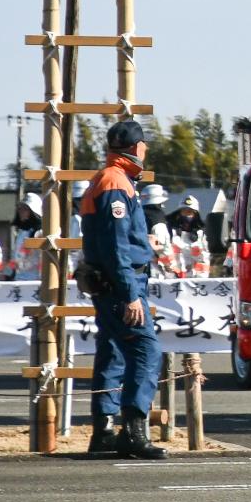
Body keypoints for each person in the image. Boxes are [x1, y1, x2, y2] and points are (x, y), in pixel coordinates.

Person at [78, 119, 166, 459]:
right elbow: (116, 247)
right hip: (122, 283)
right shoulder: (117, 183)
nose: (145, 149)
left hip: (110, 280)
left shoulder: (107, 179)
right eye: (144, 144)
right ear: (135, 147)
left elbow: (112, 240)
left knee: (113, 350)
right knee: (146, 351)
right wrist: (130, 293)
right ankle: (133, 429)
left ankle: (104, 428)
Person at [7, 192, 46, 280]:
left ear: (33, 210)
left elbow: (42, 258)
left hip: (34, 280)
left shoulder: (40, 232)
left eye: (25, 208)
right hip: (19, 278)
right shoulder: (22, 231)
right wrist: (8, 273)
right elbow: (16, 256)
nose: (21, 211)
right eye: (20, 208)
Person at [140, 184, 175, 277]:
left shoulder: (137, 214)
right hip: (154, 269)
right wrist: (172, 267)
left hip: (138, 266)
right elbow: (162, 247)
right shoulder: (158, 220)